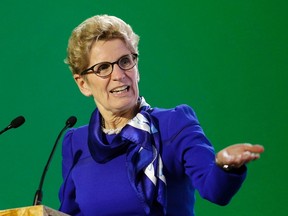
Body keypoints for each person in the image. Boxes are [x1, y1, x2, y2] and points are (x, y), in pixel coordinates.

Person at [58, 14, 264, 216]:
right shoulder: (75, 143)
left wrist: (225, 166)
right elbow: (69, 212)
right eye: (103, 68)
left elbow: (215, 190)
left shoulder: (174, 124)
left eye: (125, 61)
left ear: (136, 68)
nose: (119, 75)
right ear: (83, 84)